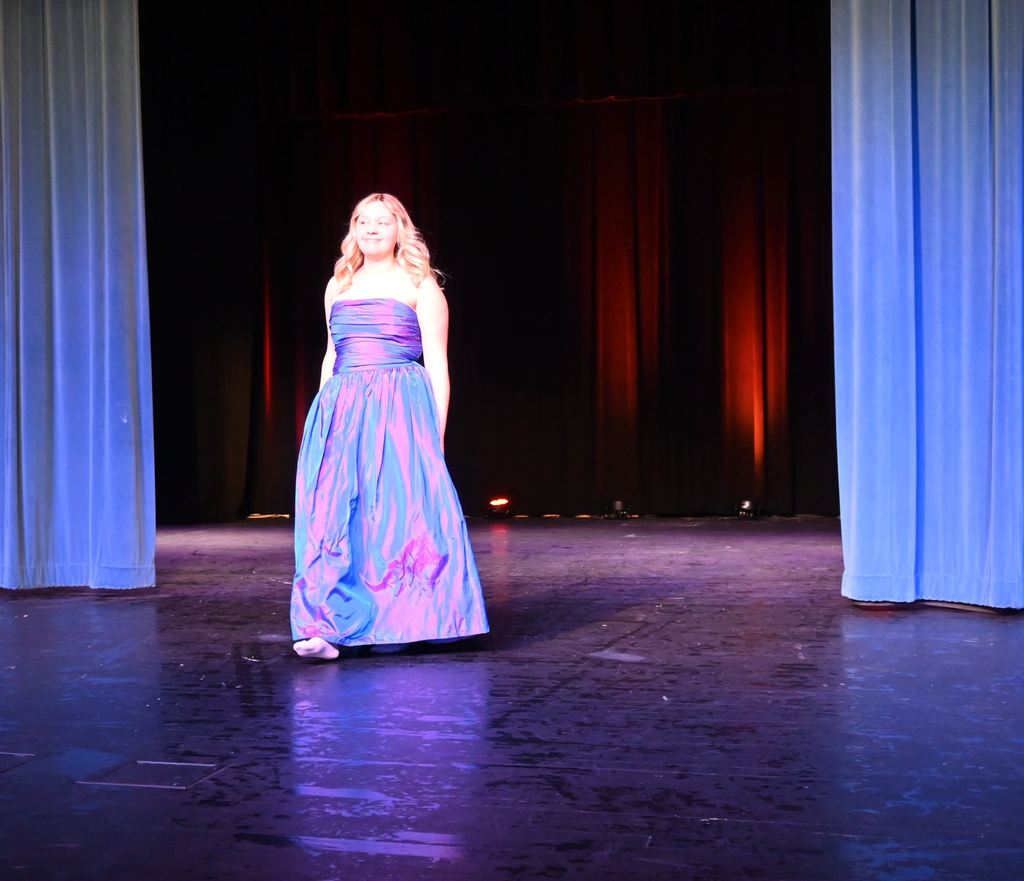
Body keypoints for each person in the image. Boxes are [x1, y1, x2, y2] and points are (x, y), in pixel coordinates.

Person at [290, 193, 489, 660]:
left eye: (383, 221)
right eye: (362, 220)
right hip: (343, 404)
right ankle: (327, 624)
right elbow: (331, 353)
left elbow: (438, 366)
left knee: (396, 512)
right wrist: (321, 415)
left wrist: (434, 434)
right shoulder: (337, 284)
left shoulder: (421, 285)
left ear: (401, 228)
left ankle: (401, 622)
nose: (372, 229)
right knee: (332, 513)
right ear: (353, 229)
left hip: (399, 406)